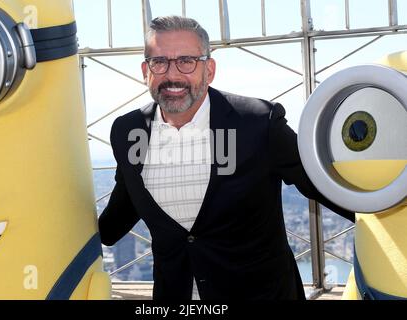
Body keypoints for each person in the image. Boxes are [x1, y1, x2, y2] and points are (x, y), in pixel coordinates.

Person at [98, 15, 354, 300]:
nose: (172, 75)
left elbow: (322, 184)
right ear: (146, 70)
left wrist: (386, 216)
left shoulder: (258, 122)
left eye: (187, 61)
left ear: (209, 69)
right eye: (160, 62)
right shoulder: (127, 130)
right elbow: (124, 206)